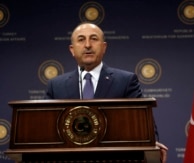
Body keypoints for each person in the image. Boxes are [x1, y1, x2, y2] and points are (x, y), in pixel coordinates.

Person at [45, 22, 168, 162]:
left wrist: (151, 144)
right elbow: (43, 129)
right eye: (81, 39)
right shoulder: (56, 85)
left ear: (104, 47)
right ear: (72, 50)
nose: (87, 45)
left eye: (94, 39)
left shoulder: (126, 81)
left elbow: (144, 123)